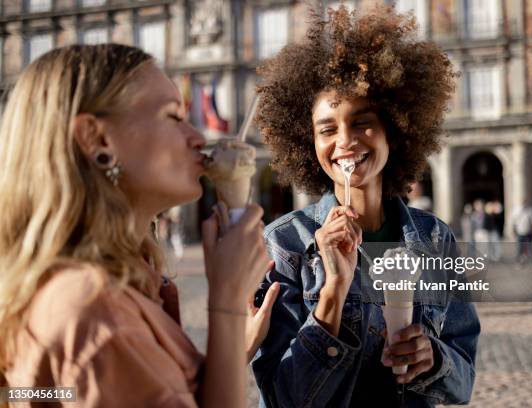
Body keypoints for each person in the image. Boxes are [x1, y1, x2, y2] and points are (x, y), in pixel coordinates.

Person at [0, 44, 278, 407]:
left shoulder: (125, 285)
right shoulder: (96, 316)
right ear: (97, 139)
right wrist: (226, 297)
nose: (197, 137)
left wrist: (233, 340)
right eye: (173, 116)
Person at [251, 6, 480, 407]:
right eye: (327, 129)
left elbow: (463, 381)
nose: (345, 141)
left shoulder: (436, 239)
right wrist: (333, 293)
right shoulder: (285, 244)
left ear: (396, 128)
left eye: (362, 122)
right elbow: (282, 397)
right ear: (309, 144)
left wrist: (434, 359)